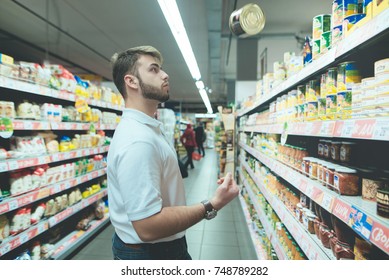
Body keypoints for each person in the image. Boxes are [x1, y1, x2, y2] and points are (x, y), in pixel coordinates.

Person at [107, 46, 239, 260]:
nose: (165, 75)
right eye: (154, 69)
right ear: (131, 81)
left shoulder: (147, 129)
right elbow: (148, 226)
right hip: (152, 254)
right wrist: (213, 203)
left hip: (153, 250)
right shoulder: (139, 141)